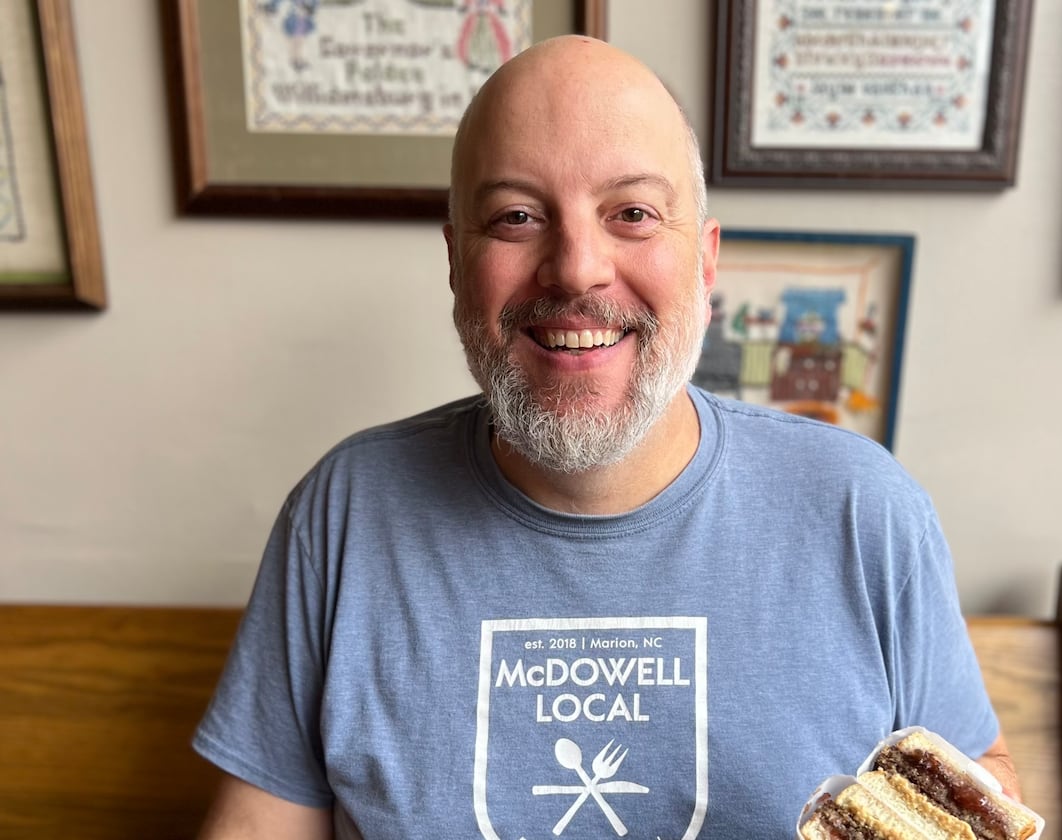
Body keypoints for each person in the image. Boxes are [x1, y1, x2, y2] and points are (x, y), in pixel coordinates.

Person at [193, 35, 1019, 840]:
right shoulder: (345, 512)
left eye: (632, 213)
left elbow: (979, 785)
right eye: (517, 217)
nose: (577, 267)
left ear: (704, 260)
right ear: (456, 261)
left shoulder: (861, 507)